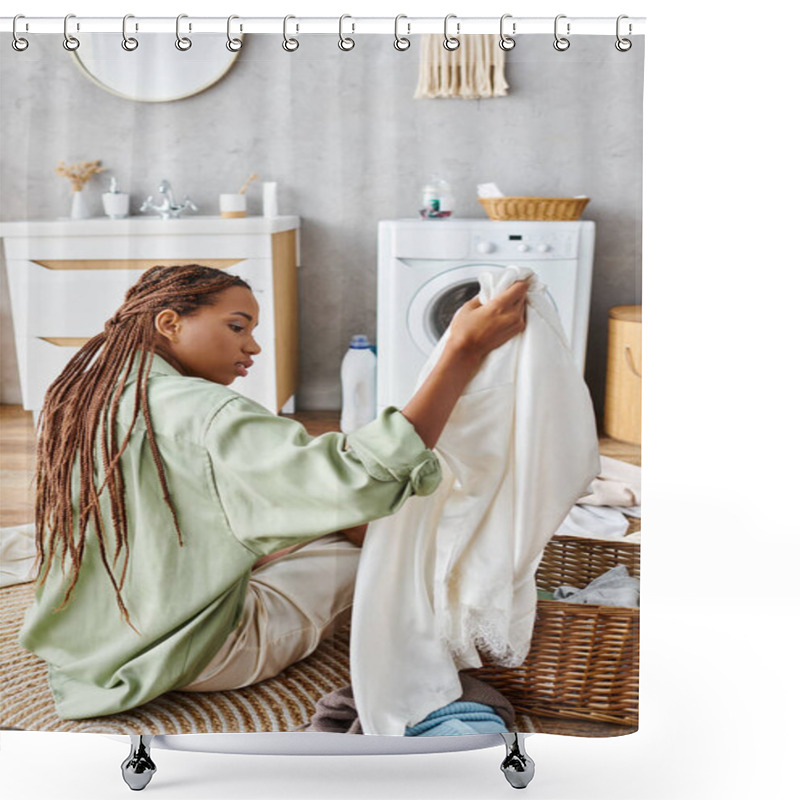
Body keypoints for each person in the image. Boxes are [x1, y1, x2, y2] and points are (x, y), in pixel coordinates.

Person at [19, 264, 528, 720]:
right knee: (383, 553)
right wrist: (463, 350)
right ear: (170, 323)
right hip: (195, 652)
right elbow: (359, 477)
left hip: (91, 637)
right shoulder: (207, 413)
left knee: (318, 516)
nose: (253, 346)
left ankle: (271, 551)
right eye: (237, 326)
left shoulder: (80, 395)